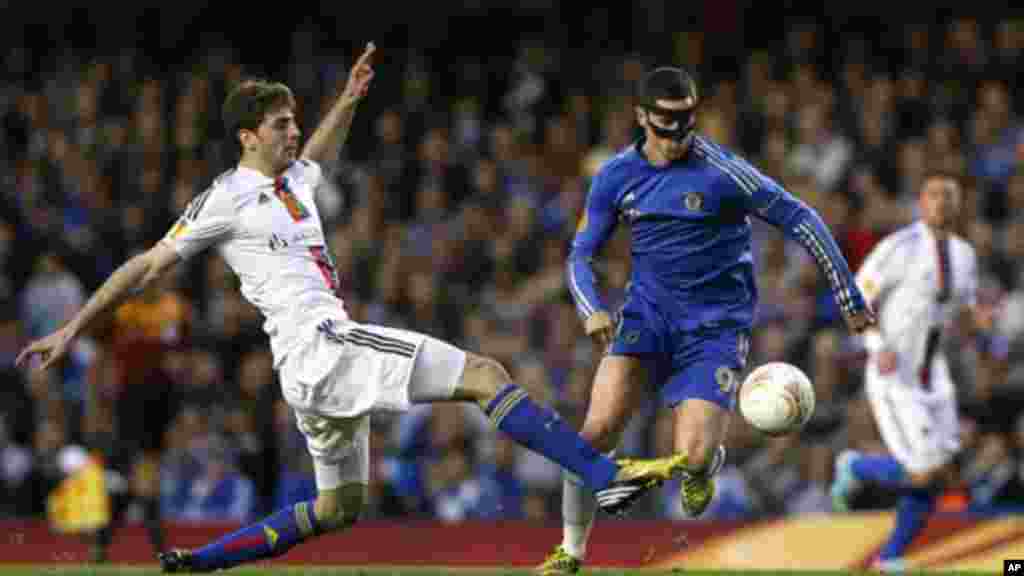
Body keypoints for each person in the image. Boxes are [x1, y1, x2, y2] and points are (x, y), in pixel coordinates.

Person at [15, 44, 691, 574]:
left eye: (294, 120)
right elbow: (149, 265)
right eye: (281, 123)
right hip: (323, 344)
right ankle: (601, 476)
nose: (294, 130)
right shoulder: (226, 198)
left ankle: (205, 560)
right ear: (247, 136)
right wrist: (75, 326)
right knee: (486, 375)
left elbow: (317, 158)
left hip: (305, 371)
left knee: (340, 508)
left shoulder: (295, 184)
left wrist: (347, 100)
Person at [537, 66, 875, 575]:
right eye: (665, 124)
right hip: (646, 319)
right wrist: (592, 309)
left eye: (686, 123)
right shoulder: (615, 176)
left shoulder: (722, 171)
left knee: (691, 456)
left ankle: (704, 465)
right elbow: (580, 253)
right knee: (596, 430)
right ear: (641, 117)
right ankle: (570, 553)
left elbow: (799, 216)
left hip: (713, 329)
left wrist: (847, 290)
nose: (677, 137)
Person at [830, 170, 993, 572]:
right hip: (895, 374)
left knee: (943, 475)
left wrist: (980, 320)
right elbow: (855, 295)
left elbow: (964, 311)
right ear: (921, 202)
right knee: (925, 470)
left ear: (960, 204)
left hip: (934, 375)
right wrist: (876, 345)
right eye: (934, 194)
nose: (942, 202)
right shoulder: (899, 247)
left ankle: (890, 558)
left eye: (950, 195)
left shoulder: (964, 255)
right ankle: (855, 466)